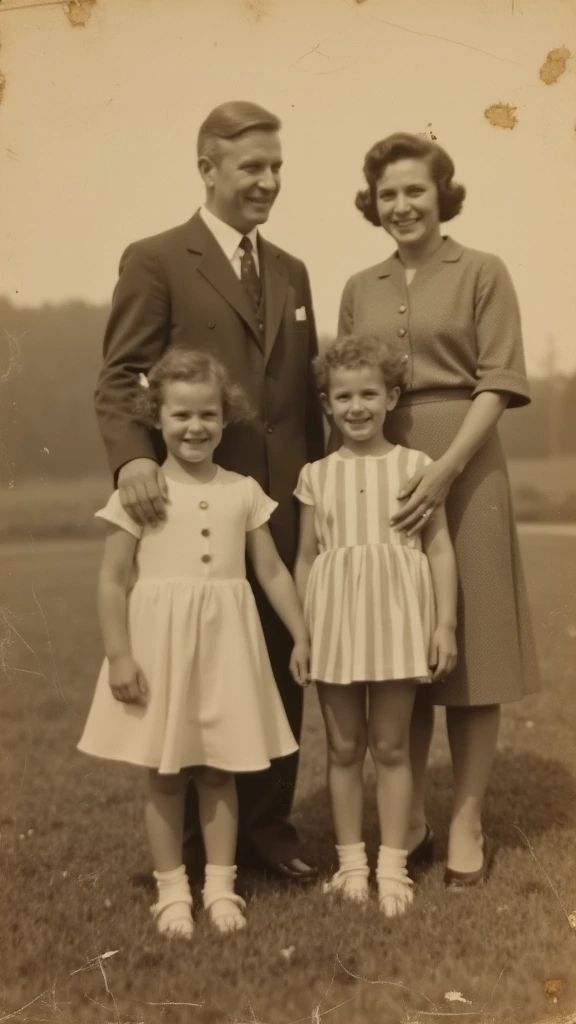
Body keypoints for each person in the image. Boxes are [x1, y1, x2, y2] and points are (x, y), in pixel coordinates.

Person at [94, 101, 324, 882]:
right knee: (192, 669)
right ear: (207, 168)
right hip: (186, 500)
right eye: (252, 166)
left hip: (279, 505)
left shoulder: (292, 270)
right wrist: (132, 459)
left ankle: (265, 836)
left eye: (277, 167)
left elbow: (303, 395)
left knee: (272, 667)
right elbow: (121, 375)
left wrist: (316, 492)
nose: (268, 181)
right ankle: (189, 851)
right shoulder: (157, 258)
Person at [338, 132, 540, 887]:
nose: (401, 206)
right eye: (387, 194)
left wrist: (448, 467)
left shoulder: (482, 271)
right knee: (403, 647)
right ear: (374, 203)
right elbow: (349, 384)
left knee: (474, 649)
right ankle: (410, 817)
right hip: (387, 467)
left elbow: (499, 380)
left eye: (414, 190)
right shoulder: (360, 284)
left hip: (468, 461)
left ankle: (466, 821)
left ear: (441, 193)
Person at [79, 350, 310, 938]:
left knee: (219, 769)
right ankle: (172, 890)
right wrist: (120, 654)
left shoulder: (242, 489)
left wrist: (302, 633)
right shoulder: (143, 494)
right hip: (160, 649)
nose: (195, 427)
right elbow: (112, 578)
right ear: (156, 417)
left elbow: (273, 571)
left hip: (227, 648)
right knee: (163, 772)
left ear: (225, 417)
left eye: (208, 414)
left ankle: (222, 887)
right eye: (181, 414)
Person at [293, 334, 457, 915]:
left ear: (391, 397)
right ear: (327, 404)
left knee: (390, 746)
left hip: (396, 622)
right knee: (342, 746)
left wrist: (444, 627)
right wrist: (302, 633)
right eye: (343, 397)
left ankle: (393, 870)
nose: (356, 407)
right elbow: (307, 557)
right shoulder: (315, 475)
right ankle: (352, 867)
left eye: (369, 394)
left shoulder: (417, 467)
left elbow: (438, 551)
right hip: (335, 621)